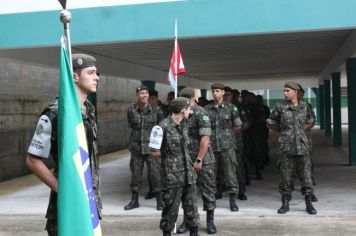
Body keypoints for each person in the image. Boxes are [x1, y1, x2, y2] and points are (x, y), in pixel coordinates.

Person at [26, 53, 102, 235]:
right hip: (67, 208)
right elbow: (32, 160)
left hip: (90, 203)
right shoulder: (56, 113)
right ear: (74, 76)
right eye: (91, 73)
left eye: (96, 73)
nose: (97, 77)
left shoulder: (88, 111)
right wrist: (65, 189)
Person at [149, 97, 200, 236]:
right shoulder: (161, 127)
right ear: (183, 110)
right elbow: (153, 151)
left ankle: (194, 232)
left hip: (188, 174)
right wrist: (168, 155)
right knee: (171, 210)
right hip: (172, 176)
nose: (190, 111)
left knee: (192, 209)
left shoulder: (184, 124)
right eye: (189, 109)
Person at [267, 81, 317, 215]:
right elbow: (270, 122)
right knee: (285, 176)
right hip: (286, 147)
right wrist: (283, 131)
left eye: (287, 91)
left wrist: (300, 131)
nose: (285, 93)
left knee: (306, 176)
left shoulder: (304, 106)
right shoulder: (280, 106)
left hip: (302, 146)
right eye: (284, 91)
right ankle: (285, 203)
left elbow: (311, 121)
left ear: (295, 92)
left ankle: (308, 204)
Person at [176, 88, 217, 234]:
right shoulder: (181, 114)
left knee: (208, 191)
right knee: (187, 192)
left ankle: (210, 221)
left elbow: (205, 138)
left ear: (190, 99)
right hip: (186, 159)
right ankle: (188, 221)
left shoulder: (201, 113)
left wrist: (199, 159)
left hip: (203, 159)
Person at [124, 85, 164, 211]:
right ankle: (134, 200)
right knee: (135, 175)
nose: (144, 95)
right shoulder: (132, 109)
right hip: (136, 147)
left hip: (152, 148)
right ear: (137, 95)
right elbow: (131, 125)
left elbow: (161, 128)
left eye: (146, 93)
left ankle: (160, 200)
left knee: (155, 174)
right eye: (141, 93)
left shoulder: (156, 109)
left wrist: (160, 148)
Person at [205, 83, 242, 212]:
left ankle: (232, 201)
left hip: (227, 146)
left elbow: (237, 126)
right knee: (211, 174)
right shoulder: (207, 109)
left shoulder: (231, 108)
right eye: (213, 91)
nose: (215, 93)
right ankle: (212, 199)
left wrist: (226, 135)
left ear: (222, 93)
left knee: (230, 173)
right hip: (211, 147)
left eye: (218, 91)